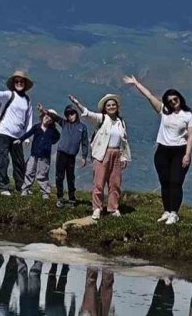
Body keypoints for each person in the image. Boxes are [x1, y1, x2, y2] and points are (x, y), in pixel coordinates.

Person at [123, 75, 192, 225]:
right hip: (162, 151)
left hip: (179, 151)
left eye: (175, 99)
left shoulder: (187, 115)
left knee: (176, 182)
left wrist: (187, 155)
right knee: (165, 182)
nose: (173, 102)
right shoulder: (164, 111)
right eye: (170, 101)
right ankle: (167, 210)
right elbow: (149, 96)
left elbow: (191, 136)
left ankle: (174, 212)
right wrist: (136, 83)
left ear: (179, 98)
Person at [68, 93, 131, 221]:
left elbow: (124, 141)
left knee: (115, 183)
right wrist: (77, 103)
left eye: (113, 105)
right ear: (105, 107)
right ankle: (97, 208)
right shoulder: (101, 118)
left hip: (117, 153)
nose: (111, 107)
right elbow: (88, 114)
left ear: (117, 107)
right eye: (109, 105)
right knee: (99, 182)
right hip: (102, 153)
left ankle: (113, 208)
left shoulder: (121, 122)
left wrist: (124, 157)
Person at [0, 70, 34, 196]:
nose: (19, 83)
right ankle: (2, 186)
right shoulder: (9, 95)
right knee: (2, 159)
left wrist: (27, 136)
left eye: (21, 81)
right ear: (13, 83)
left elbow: (29, 119)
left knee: (19, 161)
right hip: (3, 132)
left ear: (25, 84)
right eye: (17, 81)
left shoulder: (27, 100)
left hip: (18, 136)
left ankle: (21, 185)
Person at [47, 106, 90, 208]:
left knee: (71, 177)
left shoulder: (82, 127)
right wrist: (44, 111)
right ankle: (60, 198)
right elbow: (55, 117)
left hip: (71, 156)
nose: (70, 116)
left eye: (72, 114)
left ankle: (72, 198)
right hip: (61, 153)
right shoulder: (64, 123)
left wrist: (84, 156)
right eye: (68, 115)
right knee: (59, 176)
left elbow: (85, 143)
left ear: (76, 114)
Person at [19, 107, 61, 198]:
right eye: (47, 115)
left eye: (51, 118)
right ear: (43, 115)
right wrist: (20, 140)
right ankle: (25, 189)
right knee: (29, 172)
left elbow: (58, 137)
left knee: (43, 174)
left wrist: (50, 142)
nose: (48, 118)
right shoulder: (37, 127)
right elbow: (28, 134)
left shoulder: (53, 131)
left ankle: (45, 192)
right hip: (34, 154)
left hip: (45, 156)